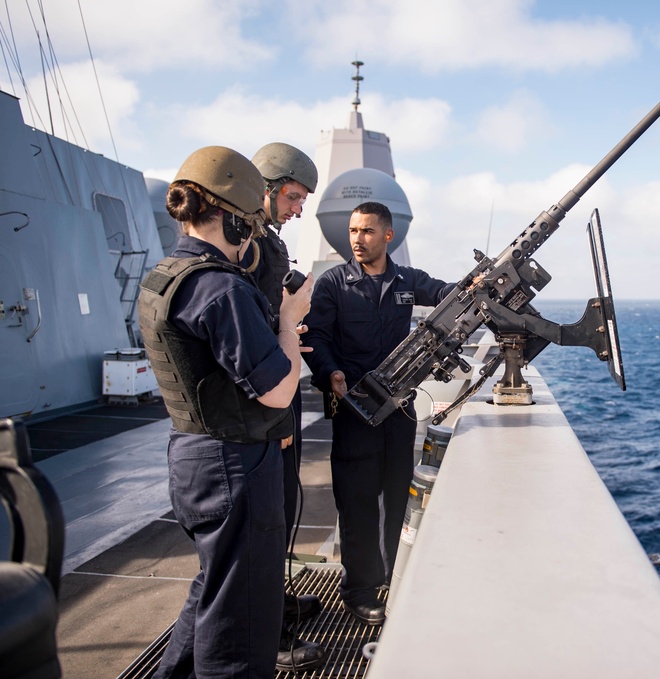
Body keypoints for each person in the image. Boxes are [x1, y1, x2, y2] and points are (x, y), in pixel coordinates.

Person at [137, 145, 320, 676]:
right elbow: (280, 393)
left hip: (194, 456)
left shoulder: (166, 275)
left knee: (214, 588)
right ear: (238, 223)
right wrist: (288, 320)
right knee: (241, 623)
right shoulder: (220, 288)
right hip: (235, 463)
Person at [301, 201, 455, 624]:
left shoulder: (406, 280)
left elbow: (446, 293)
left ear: (388, 236)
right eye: (353, 231)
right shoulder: (334, 283)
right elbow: (315, 334)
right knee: (359, 505)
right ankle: (358, 590)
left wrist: (475, 282)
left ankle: (391, 577)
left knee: (398, 500)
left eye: (367, 231)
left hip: (399, 412)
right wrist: (329, 371)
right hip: (355, 411)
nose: (357, 239)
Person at [247, 143, 325, 647]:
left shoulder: (264, 243)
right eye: (293, 197)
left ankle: (274, 597)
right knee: (266, 521)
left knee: (282, 504)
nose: (298, 210)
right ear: (267, 189)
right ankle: (266, 627)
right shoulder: (250, 247)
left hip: (281, 384)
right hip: (265, 402)